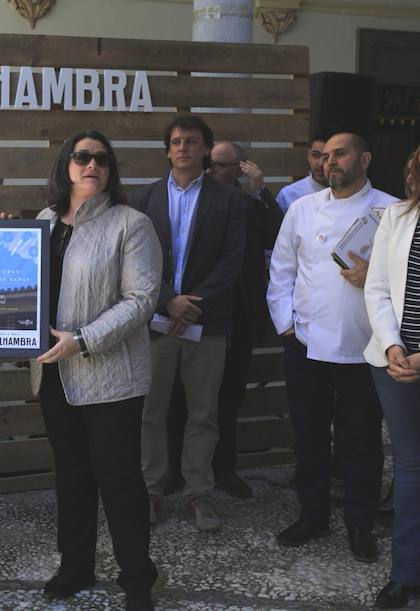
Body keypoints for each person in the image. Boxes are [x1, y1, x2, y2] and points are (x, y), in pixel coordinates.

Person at [31, 130, 161, 610]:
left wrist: (82, 340)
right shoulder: (44, 221)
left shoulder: (131, 223)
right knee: (71, 474)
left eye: (102, 160)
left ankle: (138, 581)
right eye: (82, 157)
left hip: (110, 377)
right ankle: (76, 565)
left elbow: (142, 300)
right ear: (66, 164)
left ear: (111, 169)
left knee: (119, 478)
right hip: (52, 373)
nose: (92, 166)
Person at [267, 132, 398, 563]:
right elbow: (281, 268)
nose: (330, 162)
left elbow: (407, 280)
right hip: (306, 342)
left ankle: (360, 523)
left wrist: (374, 275)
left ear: (365, 159)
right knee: (309, 435)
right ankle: (313, 515)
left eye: (340, 154)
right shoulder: (303, 209)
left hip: (364, 346)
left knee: (361, 441)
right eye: (324, 156)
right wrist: (285, 324)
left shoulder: (391, 211)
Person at [132, 115, 245, 532]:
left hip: (207, 323)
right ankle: (151, 491)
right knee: (150, 412)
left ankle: (199, 494)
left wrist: (191, 304)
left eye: (192, 141)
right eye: (176, 141)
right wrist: (167, 300)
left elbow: (234, 259)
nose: (183, 148)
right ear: (167, 150)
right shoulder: (143, 200)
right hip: (155, 322)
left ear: (205, 150)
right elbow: (135, 261)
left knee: (203, 415)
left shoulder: (228, 199)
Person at [204, 141, 284, 498]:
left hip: (239, 317)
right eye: (210, 164)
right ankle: (181, 470)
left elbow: (278, 238)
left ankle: (224, 469)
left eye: (219, 165)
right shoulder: (196, 198)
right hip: (197, 313)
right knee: (185, 398)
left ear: (240, 168)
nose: (211, 171)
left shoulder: (251, 204)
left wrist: (260, 193)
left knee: (229, 398)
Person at [363, 145, 420, 608]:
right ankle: (406, 573)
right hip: (394, 364)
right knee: (409, 468)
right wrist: (392, 345)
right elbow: (376, 287)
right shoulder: (395, 217)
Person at [277, 137, 329, 213]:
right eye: (315, 155)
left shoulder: (348, 194)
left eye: (326, 157)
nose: (320, 163)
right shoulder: (288, 196)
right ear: (308, 156)